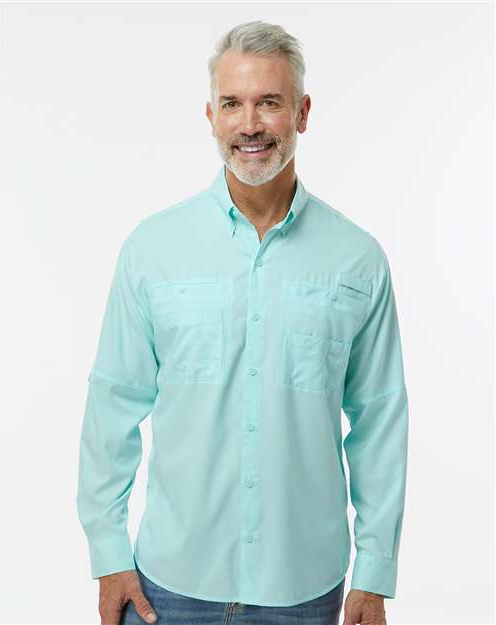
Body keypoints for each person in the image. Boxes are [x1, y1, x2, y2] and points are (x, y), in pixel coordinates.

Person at [76, 20, 409, 625]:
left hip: (304, 589)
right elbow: (112, 404)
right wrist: (108, 554)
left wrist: (374, 573)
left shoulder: (357, 260)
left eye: (269, 102)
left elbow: (380, 420)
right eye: (232, 103)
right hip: (167, 587)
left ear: (302, 113)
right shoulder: (152, 250)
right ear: (211, 117)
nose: (249, 124)